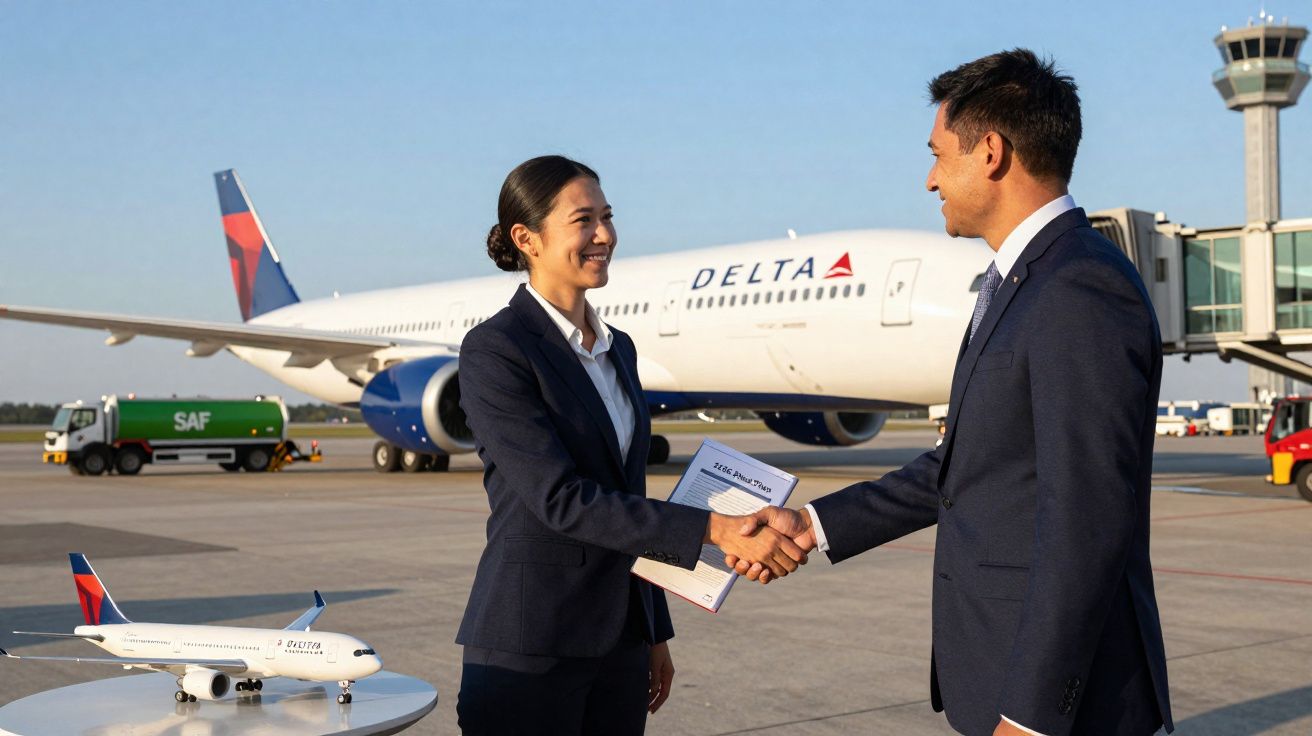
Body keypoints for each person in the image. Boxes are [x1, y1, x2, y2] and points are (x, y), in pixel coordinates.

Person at [731, 50, 1173, 735]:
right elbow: (961, 468)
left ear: (991, 152)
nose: (930, 178)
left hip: (1064, 707)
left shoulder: (1078, 288)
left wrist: (1029, 718)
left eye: (939, 154)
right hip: (996, 673)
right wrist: (811, 526)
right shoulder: (1020, 283)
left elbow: (1086, 522)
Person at [455, 155, 807, 735]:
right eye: (583, 220)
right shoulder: (497, 349)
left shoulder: (619, 350)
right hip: (533, 642)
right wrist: (713, 529)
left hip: (619, 640)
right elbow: (561, 499)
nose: (605, 235)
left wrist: (654, 629)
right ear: (528, 238)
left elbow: (627, 494)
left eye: (608, 216)